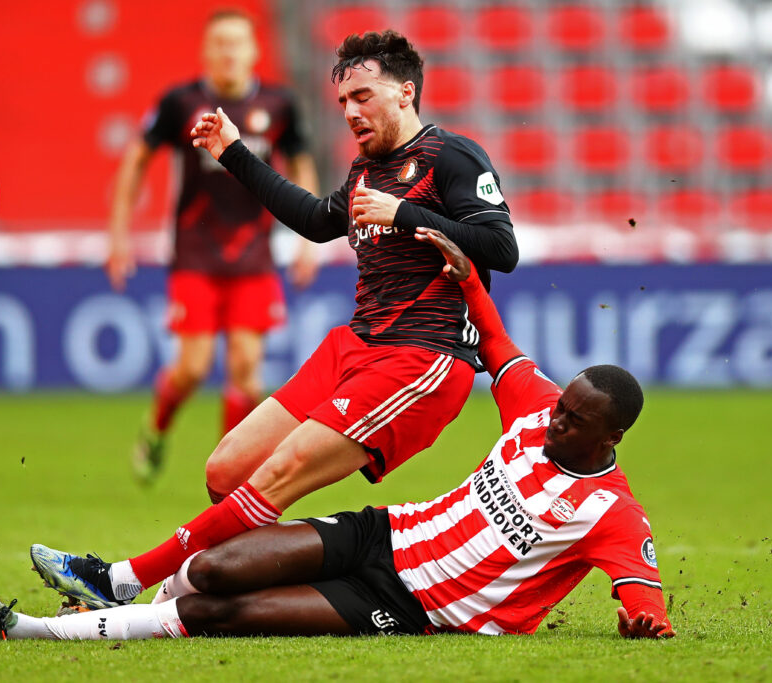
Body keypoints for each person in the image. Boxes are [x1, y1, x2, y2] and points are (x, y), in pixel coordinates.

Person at [0, 230, 673, 642]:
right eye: (559, 407)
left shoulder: (612, 512)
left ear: (610, 437)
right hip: (383, 535)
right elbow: (496, 344)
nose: (554, 419)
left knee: (212, 610)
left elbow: (644, 594)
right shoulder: (534, 406)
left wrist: (643, 621)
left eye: (573, 420)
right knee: (212, 567)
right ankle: (116, 594)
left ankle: (26, 631)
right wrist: (469, 281)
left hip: (413, 606)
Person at [29, 30, 519, 605]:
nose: (350, 112)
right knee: (227, 470)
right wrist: (233, 152)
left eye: (363, 96)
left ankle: (122, 580)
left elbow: (500, 248)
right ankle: (255, 576)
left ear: (406, 92)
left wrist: (404, 213)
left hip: (423, 359)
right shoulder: (366, 171)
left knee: (277, 475)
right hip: (356, 346)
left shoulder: (452, 157)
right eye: (343, 102)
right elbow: (314, 219)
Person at [108, 8, 321, 481]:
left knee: (247, 370)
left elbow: (303, 165)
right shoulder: (181, 103)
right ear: (206, 51)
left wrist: (309, 243)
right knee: (193, 367)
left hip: (255, 255)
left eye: (237, 43)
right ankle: (156, 431)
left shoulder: (280, 105)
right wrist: (119, 233)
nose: (228, 52)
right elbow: (137, 159)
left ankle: (232, 472)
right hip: (196, 252)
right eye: (219, 43)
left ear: (254, 50)